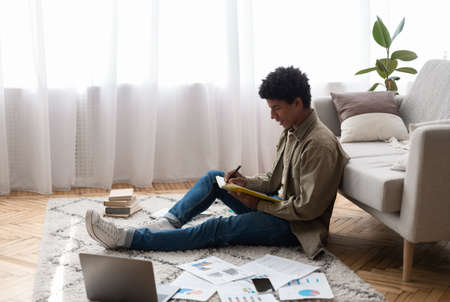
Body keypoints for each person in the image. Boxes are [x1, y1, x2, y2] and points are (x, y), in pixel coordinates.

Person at [85, 66, 349, 259]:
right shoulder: (292, 129)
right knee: (215, 178)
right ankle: (170, 221)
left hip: (297, 227)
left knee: (217, 228)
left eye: (276, 108)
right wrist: (245, 184)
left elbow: (307, 210)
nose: (272, 116)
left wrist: (258, 203)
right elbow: (272, 180)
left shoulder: (320, 145)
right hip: (283, 208)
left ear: (298, 102)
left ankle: (128, 240)